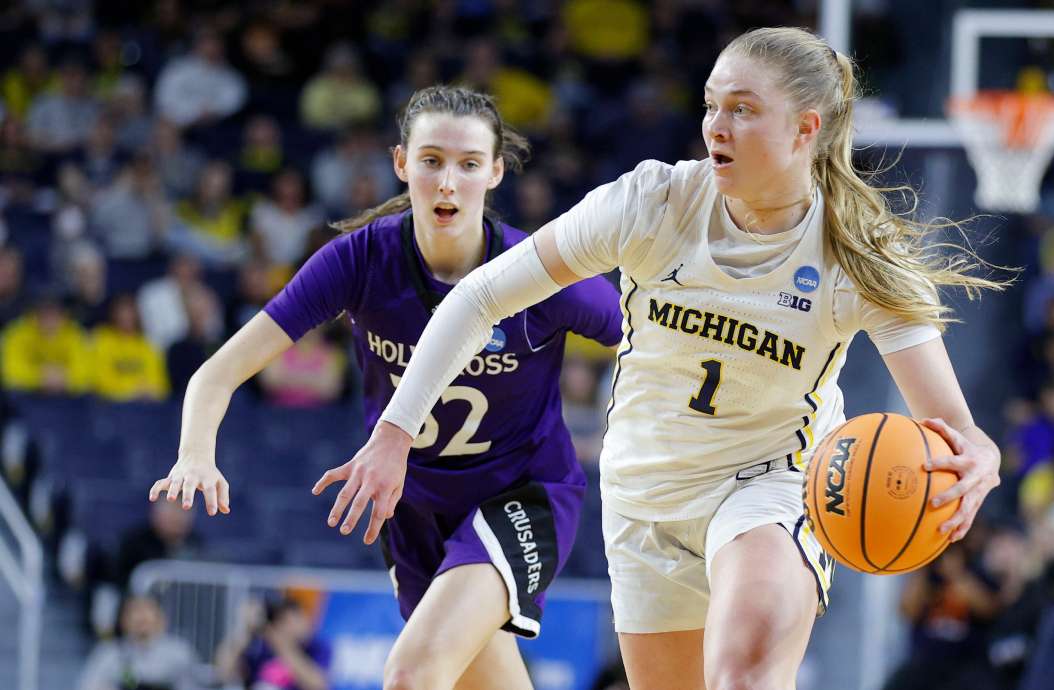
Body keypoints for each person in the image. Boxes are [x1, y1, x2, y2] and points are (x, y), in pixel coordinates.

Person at [344, 28, 1005, 689]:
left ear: (806, 130)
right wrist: (396, 429)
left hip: (768, 484)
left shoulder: (854, 250)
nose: (717, 125)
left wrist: (979, 457)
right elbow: (481, 296)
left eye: (743, 109)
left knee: (742, 676)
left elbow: (955, 430)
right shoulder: (653, 202)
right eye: (712, 105)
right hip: (643, 498)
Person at [147, 85, 623, 690]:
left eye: (469, 164)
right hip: (411, 510)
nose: (448, 181)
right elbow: (216, 372)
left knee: (411, 674)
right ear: (401, 163)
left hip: (521, 494)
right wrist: (195, 453)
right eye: (431, 161)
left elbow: (651, 343)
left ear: (496, 172)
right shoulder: (359, 261)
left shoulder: (540, 271)